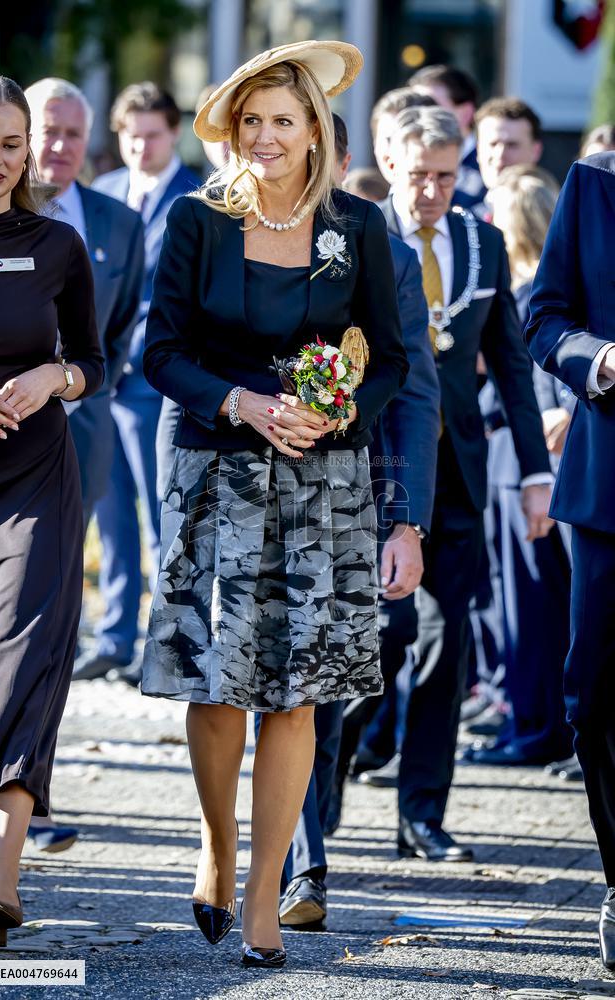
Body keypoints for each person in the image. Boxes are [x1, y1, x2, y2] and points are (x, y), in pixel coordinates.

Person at [139, 40, 408, 968]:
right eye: (250, 122)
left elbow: (398, 363)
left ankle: (265, 894)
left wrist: (334, 414)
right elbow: (158, 352)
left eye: (281, 123)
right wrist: (240, 400)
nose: (264, 137)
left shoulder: (359, 227)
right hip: (216, 473)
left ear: (314, 133)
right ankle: (217, 848)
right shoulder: (195, 219)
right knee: (219, 688)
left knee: (296, 696)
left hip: (325, 486)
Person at [278, 112, 438, 930]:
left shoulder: (393, 260)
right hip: (255, 492)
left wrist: (403, 524)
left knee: (328, 685)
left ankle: (316, 799)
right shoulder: (236, 246)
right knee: (291, 677)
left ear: (341, 160)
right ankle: (304, 864)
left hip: (354, 495)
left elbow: (411, 394)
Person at [383, 105, 553, 861]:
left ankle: (421, 813)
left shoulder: (482, 245)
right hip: (371, 473)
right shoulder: (354, 237)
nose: (430, 192)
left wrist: (535, 476)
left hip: (457, 478)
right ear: (392, 164)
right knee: (376, 644)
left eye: (446, 178)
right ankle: (306, 831)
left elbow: (513, 368)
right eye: (419, 175)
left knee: (446, 647)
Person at [0, 74, 103, 946]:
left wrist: (53, 378)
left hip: (35, 479)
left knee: (23, 658)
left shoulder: (57, 244)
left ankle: (2, 877)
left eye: (11, 145)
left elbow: (94, 360)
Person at [525, 147, 615, 973]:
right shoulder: (594, 185)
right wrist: (597, 359)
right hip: (608, 489)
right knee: (595, 693)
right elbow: (543, 317)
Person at [77, 84, 201, 682]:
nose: (139, 145)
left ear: (173, 133)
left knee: (161, 513)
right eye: (129, 133)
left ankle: (164, 639)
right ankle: (114, 634)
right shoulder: (99, 194)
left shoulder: (197, 198)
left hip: (159, 382)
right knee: (110, 514)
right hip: (101, 382)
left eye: (151, 133)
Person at [463, 164, 573, 768]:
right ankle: (522, 720)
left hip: (532, 464)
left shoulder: (538, 295)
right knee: (512, 603)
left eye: (496, 220)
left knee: (535, 606)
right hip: (506, 459)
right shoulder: (527, 289)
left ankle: (539, 729)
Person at [25, 78, 144, 534]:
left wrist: (87, 391)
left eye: (74, 134)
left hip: (84, 429)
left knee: (66, 565)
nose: (60, 145)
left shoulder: (120, 223)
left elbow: (121, 325)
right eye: (49, 130)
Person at [409, 64, 486, 213]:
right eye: (413, 108)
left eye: (430, 106)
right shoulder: (405, 161)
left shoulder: (490, 163)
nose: (419, 117)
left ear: (465, 113)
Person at [475, 97, 543, 195]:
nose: (500, 154)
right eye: (492, 144)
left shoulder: (554, 208)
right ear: (478, 150)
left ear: (536, 151)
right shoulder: (457, 205)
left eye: (512, 145)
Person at [371, 87, 436, 185]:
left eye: (407, 139)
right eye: (389, 139)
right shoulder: (354, 197)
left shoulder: (462, 199)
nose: (393, 152)